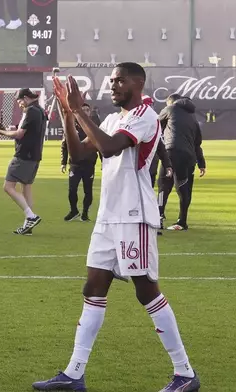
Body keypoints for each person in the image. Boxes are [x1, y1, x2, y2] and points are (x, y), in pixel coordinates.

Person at [32, 64, 200, 392]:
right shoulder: (111, 119)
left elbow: (109, 147)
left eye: (119, 80)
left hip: (133, 215)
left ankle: (185, 373)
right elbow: (81, 152)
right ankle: (74, 373)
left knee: (146, 290)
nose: (113, 85)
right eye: (111, 81)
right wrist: (69, 113)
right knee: (93, 288)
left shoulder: (146, 116)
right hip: (108, 217)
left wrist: (79, 109)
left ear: (138, 83)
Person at [0, 88, 46, 235]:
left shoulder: (30, 111)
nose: (19, 104)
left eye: (19, 101)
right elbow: (26, 130)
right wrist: (6, 128)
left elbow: (20, 134)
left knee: (8, 187)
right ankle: (29, 223)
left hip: (23, 156)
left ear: (26, 98)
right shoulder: (39, 110)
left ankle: (31, 216)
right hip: (34, 155)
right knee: (26, 188)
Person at [157, 94, 206, 232]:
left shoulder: (170, 109)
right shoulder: (193, 118)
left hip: (171, 152)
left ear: (170, 102)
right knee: (184, 188)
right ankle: (182, 221)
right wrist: (201, 163)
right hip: (189, 157)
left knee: (163, 185)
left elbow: (154, 126)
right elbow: (197, 144)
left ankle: (158, 217)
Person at [60, 103, 98, 222]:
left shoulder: (94, 127)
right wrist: (63, 162)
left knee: (88, 190)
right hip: (75, 164)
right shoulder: (71, 127)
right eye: (83, 109)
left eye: (87, 109)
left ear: (90, 112)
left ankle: (85, 214)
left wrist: (104, 161)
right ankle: (74, 211)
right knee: (72, 190)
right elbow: (64, 145)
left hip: (89, 164)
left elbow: (100, 144)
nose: (85, 111)